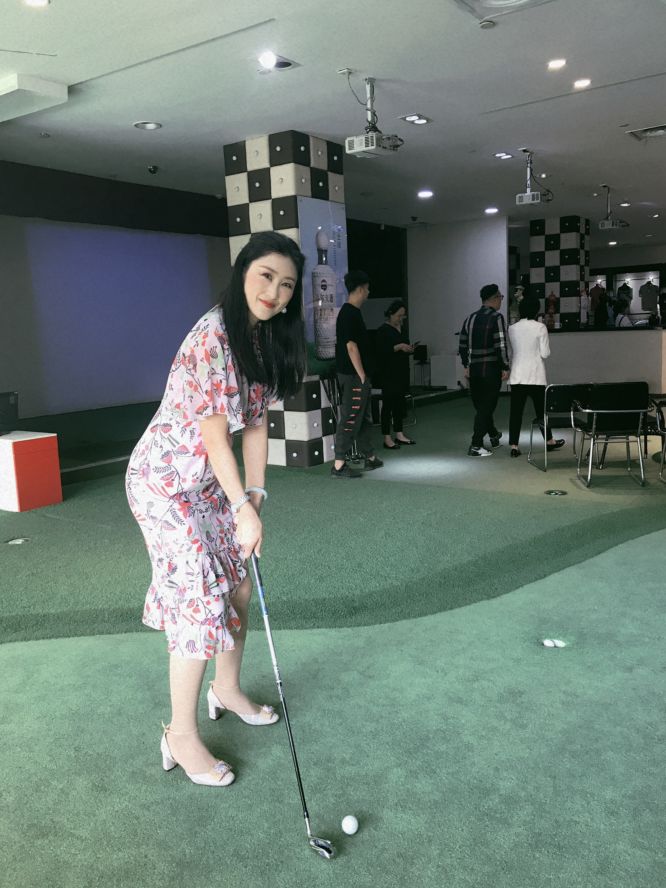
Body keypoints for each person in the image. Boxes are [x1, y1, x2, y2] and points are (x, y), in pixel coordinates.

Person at [125, 231, 307, 787]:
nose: (274, 292)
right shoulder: (212, 337)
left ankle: (225, 689)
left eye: (287, 285)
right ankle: (179, 735)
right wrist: (240, 506)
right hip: (163, 483)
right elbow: (212, 435)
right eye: (266, 276)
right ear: (242, 271)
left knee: (239, 587)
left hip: (207, 483)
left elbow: (256, 423)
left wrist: (257, 496)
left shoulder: (263, 339)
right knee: (199, 603)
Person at [331, 269, 383, 478]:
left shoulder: (353, 312)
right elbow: (351, 347)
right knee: (351, 418)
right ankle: (338, 465)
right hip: (353, 376)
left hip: (358, 375)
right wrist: (361, 374)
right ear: (360, 289)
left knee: (363, 417)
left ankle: (369, 456)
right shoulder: (348, 314)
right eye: (367, 289)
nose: (368, 293)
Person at [507, 295, 565, 457]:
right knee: (541, 411)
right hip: (536, 375)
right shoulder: (540, 327)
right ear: (536, 310)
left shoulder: (512, 328)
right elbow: (545, 353)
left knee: (515, 412)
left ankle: (514, 445)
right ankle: (549, 441)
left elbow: (512, 352)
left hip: (517, 374)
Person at [458, 283, 510, 457]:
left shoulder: (470, 318)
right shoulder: (497, 318)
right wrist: (505, 366)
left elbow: (462, 345)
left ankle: (493, 435)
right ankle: (475, 445)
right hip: (491, 370)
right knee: (486, 408)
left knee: (482, 406)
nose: (501, 300)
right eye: (500, 297)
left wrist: (466, 364)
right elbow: (500, 345)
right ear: (494, 298)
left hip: (474, 371)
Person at [374, 299, 416, 449]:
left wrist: (409, 349)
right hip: (388, 374)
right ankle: (387, 437)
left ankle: (399, 433)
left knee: (399, 404)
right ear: (391, 314)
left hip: (401, 372)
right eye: (399, 315)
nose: (401, 319)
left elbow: (405, 345)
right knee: (388, 405)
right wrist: (397, 347)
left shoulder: (402, 330)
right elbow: (380, 352)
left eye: (403, 316)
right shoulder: (382, 330)